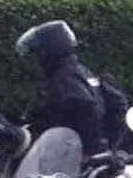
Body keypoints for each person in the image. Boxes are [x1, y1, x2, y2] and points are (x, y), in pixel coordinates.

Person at [16, 18, 106, 154]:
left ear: (47, 52)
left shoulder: (64, 78)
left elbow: (85, 106)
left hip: (68, 154)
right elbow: (117, 101)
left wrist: (88, 149)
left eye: (39, 53)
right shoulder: (81, 70)